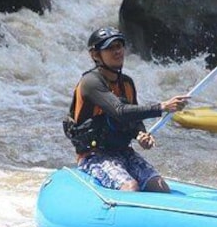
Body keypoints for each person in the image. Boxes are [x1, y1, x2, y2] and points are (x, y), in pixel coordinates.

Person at [63, 26, 189, 192]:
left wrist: (140, 135)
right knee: (130, 187)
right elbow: (119, 111)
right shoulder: (90, 83)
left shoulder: (127, 83)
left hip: (124, 152)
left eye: (119, 46)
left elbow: (134, 120)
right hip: (94, 156)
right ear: (95, 54)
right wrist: (162, 107)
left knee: (159, 187)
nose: (117, 52)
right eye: (110, 48)